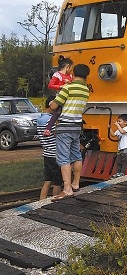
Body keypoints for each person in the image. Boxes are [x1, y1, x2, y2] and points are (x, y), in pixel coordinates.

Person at [47, 63, 90, 200]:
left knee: (63, 158)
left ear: (73, 73)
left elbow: (54, 106)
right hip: (77, 126)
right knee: (76, 155)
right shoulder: (86, 90)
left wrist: (51, 103)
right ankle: (75, 183)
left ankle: (67, 189)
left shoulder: (68, 88)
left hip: (65, 126)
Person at [37, 99, 62, 200]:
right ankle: (55, 201)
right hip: (54, 154)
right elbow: (57, 134)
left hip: (46, 153)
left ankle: (41, 201)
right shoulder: (51, 121)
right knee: (57, 181)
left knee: (48, 180)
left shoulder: (40, 119)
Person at [110, 114, 127, 178]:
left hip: (126, 148)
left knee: (124, 161)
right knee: (119, 161)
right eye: (118, 121)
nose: (118, 122)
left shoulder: (126, 128)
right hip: (120, 148)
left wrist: (117, 125)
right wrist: (109, 128)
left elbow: (122, 132)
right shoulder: (118, 130)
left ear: (125, 122)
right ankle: (118, 173)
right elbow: (113, 135)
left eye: (119, 121)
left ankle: (122, 173)